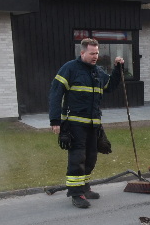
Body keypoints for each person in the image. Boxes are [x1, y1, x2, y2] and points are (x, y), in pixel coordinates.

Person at [49, 38, 124, 208]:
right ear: (82, 53)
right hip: (74, 124)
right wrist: (55, 120)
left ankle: (84, 187)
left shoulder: (97, 71)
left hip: (93, 124)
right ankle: (76, 194)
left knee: (91, 157)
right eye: (92, 53)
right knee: (78, 158)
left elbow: (110, 86)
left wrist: (118, 69)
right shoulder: (69, 69)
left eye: (97, 53)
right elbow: (55, 93)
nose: (95, 56)